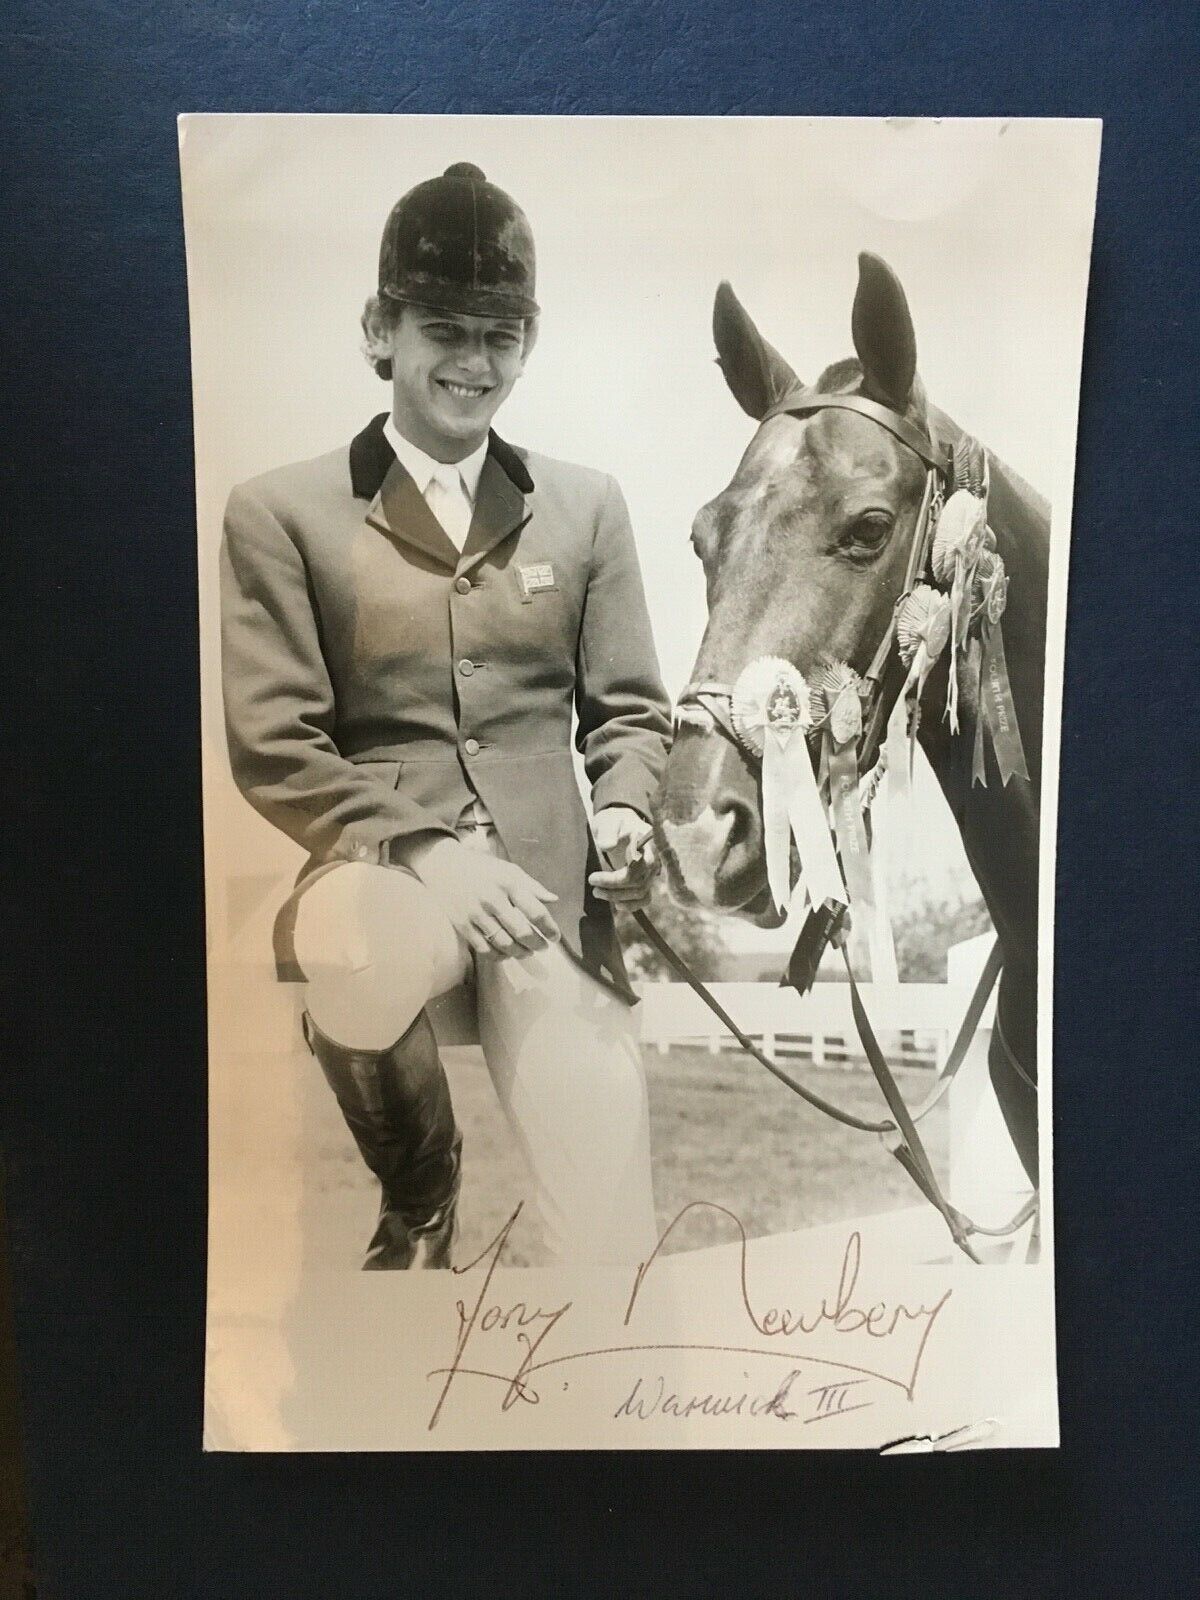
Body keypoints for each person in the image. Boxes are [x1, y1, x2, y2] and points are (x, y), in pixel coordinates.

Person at [220, 162, 671, 1269]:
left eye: (501, 335)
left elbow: (630, 715)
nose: (474, 364)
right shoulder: (278, 512)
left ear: (531, 340)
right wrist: (426, 849)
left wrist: (625, 811)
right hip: (388, 877)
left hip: (547, 901)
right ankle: (423, 1194)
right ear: (380, 327)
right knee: (343, 937)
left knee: (609, 1245)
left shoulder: (589, 505)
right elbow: (275, 743)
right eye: (444, 330)